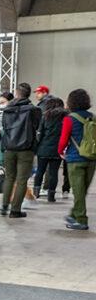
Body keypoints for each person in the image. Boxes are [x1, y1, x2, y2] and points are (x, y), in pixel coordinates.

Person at [0, 83, 41, 217]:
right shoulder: (34, 110)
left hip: (9, 147)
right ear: (29, 94)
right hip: (26, 148)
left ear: (16, 93)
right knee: (22, 180)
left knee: (9, 178)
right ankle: (15, 210)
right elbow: (36, 127)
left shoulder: (7, 110)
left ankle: (4, 206)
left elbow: (4, 127)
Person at [59, 88, 95, 231]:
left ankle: (81, 220)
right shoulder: (93, 117)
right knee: (82, 190)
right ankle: (74, 214)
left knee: (78, 191)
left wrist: (60, 151)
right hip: (91, 158)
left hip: (75, 159)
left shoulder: (69, 119)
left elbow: (64, 139)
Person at [33, 97, 66, 203]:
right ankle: (51, 196)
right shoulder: (65, 117)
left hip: (43, 148)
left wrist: (37, 146)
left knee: (40, 171)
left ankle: (36, 193)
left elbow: (40, 133)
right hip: (57, 149)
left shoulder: (45, 116)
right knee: (53, 173)